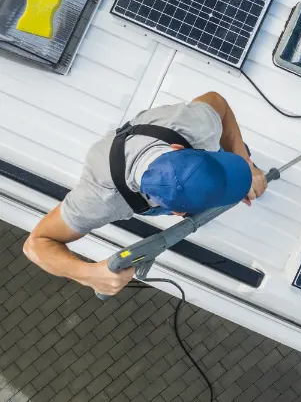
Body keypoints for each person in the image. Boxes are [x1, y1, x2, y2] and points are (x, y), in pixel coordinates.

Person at [23, 91, 267, 296]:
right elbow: (36, 244)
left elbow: (217, 102)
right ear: (178, 212)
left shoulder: (193, 125)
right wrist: (88, 274)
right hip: (112, 170)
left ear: (178, 148)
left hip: (154, 134)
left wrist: (246, 164)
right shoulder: (100, 197)